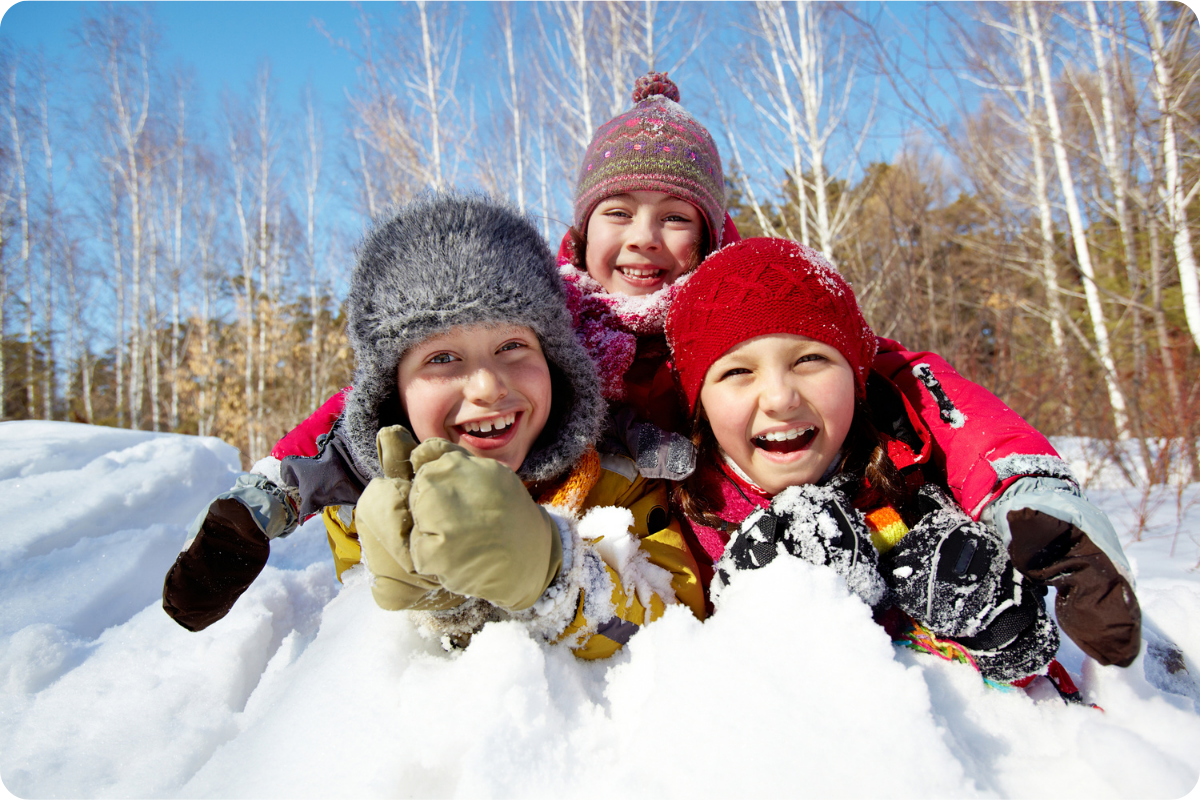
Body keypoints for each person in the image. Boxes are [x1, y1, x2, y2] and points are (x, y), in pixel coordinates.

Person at [163, 193, 705, 659]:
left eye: (512, 346)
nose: (488, 387)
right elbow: (370, 664)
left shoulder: (614, 475)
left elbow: (669, 616)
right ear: (392, 391)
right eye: (442, 358)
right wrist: (441, 607)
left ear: (556, 360)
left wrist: (553, 574)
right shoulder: (367, 501)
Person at [664, 237, 1142, 684]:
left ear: (856, 375)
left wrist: (999, 631)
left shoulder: (906, 477)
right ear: (698, 402)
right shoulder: (677, 515)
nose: (780, 397)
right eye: (737, 371)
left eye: (809, 360)